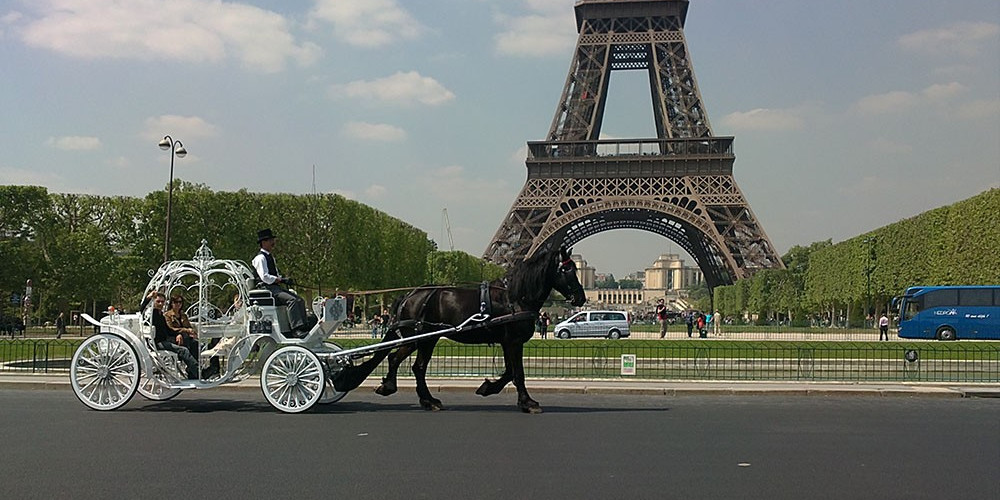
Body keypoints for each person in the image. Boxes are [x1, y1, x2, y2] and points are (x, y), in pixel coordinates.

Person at [252, 228, 313, 336]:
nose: (273, 242)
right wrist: (280, 279)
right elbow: (265, 277)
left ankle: (304, 325)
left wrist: (283, 279)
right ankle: (296, 329)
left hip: (275, 288)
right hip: (267, 289)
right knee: (292, 300)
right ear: (264, 242)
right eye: (270, 240)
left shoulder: (270, 257)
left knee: (300, 300)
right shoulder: (260, 258)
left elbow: (274, 274)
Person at [140, 291, 198, 379]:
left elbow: (169, 330)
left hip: (165, 340)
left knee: (193, 343)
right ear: (154, 302)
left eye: (162, 302)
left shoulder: (161, 315)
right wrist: (149, 297)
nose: (160, 304)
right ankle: (198, 372)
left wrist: (178, 334)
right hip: (157, 343)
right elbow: (142, 309)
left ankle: (193, 373)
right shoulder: (151, 314)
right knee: (183, 350)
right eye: (158, 301)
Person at [165, 295, 219, 379]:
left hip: (186, 338)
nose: (178, 304)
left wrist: (192, 332)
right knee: (192, 345)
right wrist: (185, 331)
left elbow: (188, 326)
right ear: (171, 303)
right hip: (175, 338)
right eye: (176, 302)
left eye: (180, 302)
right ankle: (198, 373)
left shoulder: (183, 315)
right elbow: (170, 329)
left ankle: (202, 370)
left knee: (203, 344)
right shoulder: (167, 315)